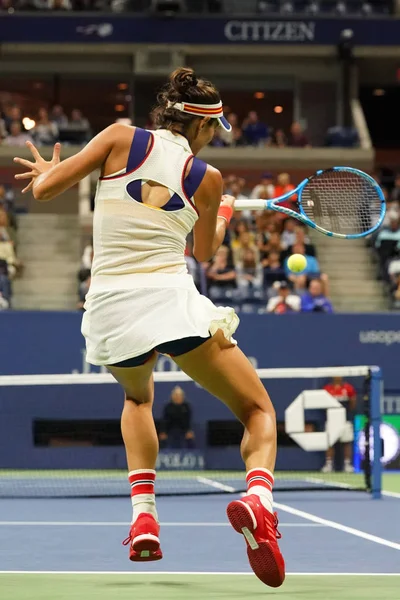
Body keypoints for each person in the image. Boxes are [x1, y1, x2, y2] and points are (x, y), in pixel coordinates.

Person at [14, 67, 285, 588]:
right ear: (203, 128)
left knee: (137, 400)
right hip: (169, 301)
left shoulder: (118, 137)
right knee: (256, 410)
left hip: (111, 308)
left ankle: (144, 515)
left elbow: (45, 190)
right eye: (214, 130)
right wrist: (222, 212)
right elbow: (205, 253)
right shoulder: (206, 179)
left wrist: (51, 170)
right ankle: (259, 499)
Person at [322, 376, 357, 473]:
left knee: (347, 442)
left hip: (345, 420)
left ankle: (347, 464)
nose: (338, 377)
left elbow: (353, 402)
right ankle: (329, 464)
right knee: (329, 442)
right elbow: (323, 403)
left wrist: (345, 413)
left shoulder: (348, 388)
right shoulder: (327, 389)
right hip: (331, 420)